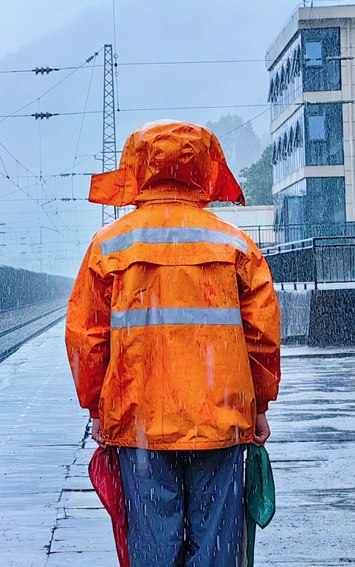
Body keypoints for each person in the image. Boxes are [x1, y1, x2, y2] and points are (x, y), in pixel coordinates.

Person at [65, 120, 281, 567]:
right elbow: (261, 334)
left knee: (153, 548)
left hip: (140, 422)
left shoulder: (110, 246)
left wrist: (97, 408)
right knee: (218, 547)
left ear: (138, 167)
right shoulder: (234, 244)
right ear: (205, 166)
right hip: (220, 422)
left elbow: (87, 337)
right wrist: (258, 405)